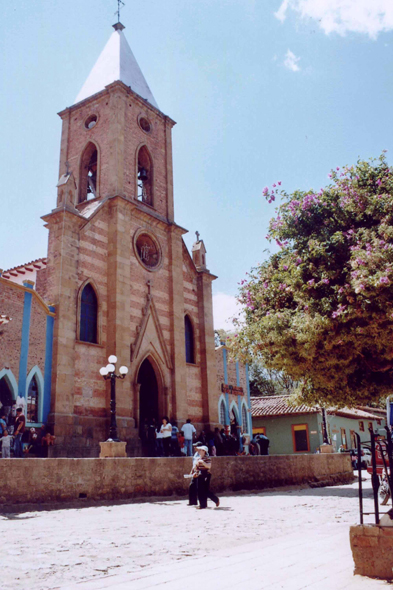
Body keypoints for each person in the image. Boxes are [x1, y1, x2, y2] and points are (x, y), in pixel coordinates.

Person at [190, 445, 219, 509]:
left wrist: (203, 462)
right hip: (200, 475)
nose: (199, 451)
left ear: (204, 451)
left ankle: (215, 499)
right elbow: (196, 468)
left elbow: (209, 466)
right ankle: (202, 505)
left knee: (205, 490)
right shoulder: (198, 458)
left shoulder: (207, 458)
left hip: (206, 474)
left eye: (201, 450)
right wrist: (195, 472)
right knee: (199, 490)